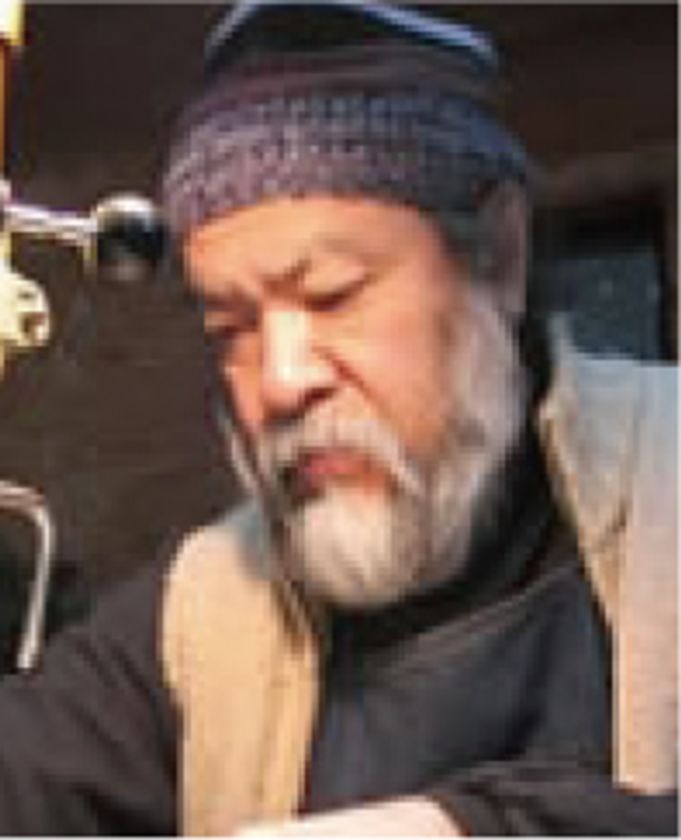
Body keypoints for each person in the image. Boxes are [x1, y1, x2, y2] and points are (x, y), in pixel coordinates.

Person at [0, 1, 675, 835]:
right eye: (232, 329)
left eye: (333, 296)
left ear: (499, 255)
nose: (281, 382)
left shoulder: (665, 480)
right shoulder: (201, 615)